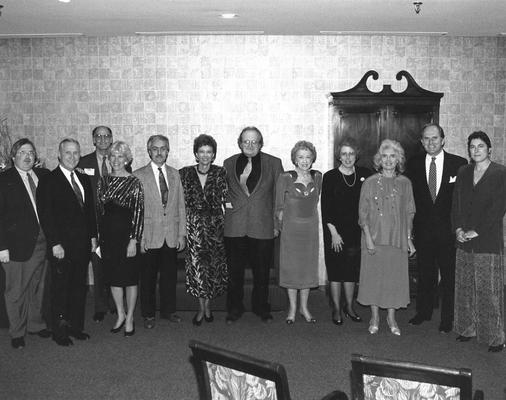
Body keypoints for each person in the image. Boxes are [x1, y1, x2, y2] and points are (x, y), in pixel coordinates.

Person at [406, 123, 467, 333]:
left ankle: (447, 319)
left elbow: (463, 200)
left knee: (449, 277)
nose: (431, 142)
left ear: (443, 140)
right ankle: (423, 312)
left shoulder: (459, 164)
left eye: (435, 138)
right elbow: (410, 199)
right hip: (423, 231)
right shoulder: (413, 164)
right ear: (422, 142)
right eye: (426, 139)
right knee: (425, 274)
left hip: (449, 232)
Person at [37, 138, 97, 346]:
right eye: (68, 153)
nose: (72, 157)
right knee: (60, 289)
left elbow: (90, 213)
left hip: (82, 245)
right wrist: (55, 243)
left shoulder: (83, 179)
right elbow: (46, 215)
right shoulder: (49, 180)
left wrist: (93, 237)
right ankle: (59, 332)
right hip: (61, 247)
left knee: (78, 287)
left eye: (76, 153)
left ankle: (75, 327)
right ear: (59, 155)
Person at [452, 131, 506, 352]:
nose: (476, 150)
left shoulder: (500, 173)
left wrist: (477, 231)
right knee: (464, 287)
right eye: (472, 146)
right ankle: (467, 329)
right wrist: (457, 229)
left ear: (489, 149)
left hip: (487, 241)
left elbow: (498, 208)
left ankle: (495, 337)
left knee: (488, 290)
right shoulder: (463, 172)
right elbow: (455, 203)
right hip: (463, 239)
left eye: (480, 146)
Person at [223, 126, 283, 323]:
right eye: (246, 141)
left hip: (263, 225)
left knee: (262, 273)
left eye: (254, 141)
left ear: (261, 144)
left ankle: (261, 308)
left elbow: (280, 197)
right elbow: (223, 193)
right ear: (239, 143)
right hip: (235, 226)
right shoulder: (228, 163)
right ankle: (234, 308)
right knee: (234, 273)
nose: (250, 145)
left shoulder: (274, 163)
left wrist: (277, 224)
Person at [357, 139, 416, 336]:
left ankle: (391, 318)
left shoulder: (405, 183)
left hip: (397, 240)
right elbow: (362, 214)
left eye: (393, 156)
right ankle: (374, 317)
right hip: (373, 239)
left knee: (393, 280)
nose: (389, 160)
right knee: (374, 279)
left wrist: (408, 239)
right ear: (379, 159)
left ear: (398, 159)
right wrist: (368, 239)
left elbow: (409, 212)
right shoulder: (370, 182)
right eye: (385, 156)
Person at [0, 139, 51, 349]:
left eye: (31, 152)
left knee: (37, 287)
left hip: (42, 242)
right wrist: (2, 246)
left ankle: (35, 325)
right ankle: (17, 332)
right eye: (22, 152)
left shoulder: (43, 176)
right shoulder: (4, 180)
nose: (28, 156)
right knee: (16, 290)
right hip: (15, 246)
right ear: (13, 156)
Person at [134, 135, 186, 329]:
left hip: (171, 235)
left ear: (168, 151)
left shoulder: (175, 174)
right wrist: (140, 238)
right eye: (155, 149)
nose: (159, 152)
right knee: (147, 277)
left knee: (169, 276)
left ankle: (168, 311)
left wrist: (182, 234)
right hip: (149, 236)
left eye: (163, 148)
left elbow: (180, 206)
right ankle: (148, 314)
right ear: (149, 151)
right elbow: (136, 211)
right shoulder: (138, 175)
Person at [321, 139, 372, 325]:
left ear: (356, 155)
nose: (348, 157)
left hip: (356, 231)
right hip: (334, 231)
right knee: (335, 271)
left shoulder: (366, 174)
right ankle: (336, 308)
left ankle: (349, 307)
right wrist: (334, 233)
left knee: (351, 271)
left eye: (351, 153)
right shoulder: (330, 177)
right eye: (344, 154)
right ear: (338, 156)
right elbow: (326, 209)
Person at [179, 134, 228, 326]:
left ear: (214, 154)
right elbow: (180, 203)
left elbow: (225, 200)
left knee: (213, 269)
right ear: (196, 154)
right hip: (193, 226)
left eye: (209, 152)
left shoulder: (220, 172)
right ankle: (201, 308)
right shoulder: (184, 173)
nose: (205, 155)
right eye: (202, 152)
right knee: (197, 270)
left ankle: (208, 306)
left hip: (215, 226)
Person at [97, 141, 143, 336]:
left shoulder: (134, 182)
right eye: (112, 156)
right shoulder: (103, 181)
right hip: (109, 238)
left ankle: (131, 316)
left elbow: (139, 213)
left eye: (120, 156)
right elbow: (100, 211)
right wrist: (99, 238)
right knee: (114, 279)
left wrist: (134, 240)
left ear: (127, 159)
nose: (116, 160)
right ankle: (121, 315)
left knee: (130, 279)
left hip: (127, 238)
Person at [275, 141, 321, 324]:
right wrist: (279, 227)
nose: (304, 161)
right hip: (291, 230)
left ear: (312, 159)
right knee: (292, 268)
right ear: (294, 158)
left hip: (310, 228)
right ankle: (293, 309)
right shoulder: (285, 177)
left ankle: (304, 307)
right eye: (300, 157)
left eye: (308, 157)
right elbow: (278, 206)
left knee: (307, 268)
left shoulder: (318, 177)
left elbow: (315, 201)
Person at [78, 126, 116, 323]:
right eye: (98, 136)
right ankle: (100, 306)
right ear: (93, 140)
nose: (102, 139)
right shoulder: (83, 163)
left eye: (106, 136)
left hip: (114, 224)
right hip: (92, 223)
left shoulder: (119, 159)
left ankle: (115, 303)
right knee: (97, 264)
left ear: (111, 139)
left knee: (114, 264)